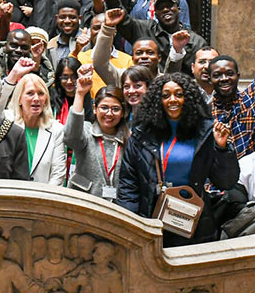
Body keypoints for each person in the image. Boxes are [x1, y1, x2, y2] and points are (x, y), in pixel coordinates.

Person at [117, 72, 238, 246]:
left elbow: (225, 182)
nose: (172, 100)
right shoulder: (142, 135)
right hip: (151, 219)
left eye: (179, 94)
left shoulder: (204, 133)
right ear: (157, 101)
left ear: (188, 98)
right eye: (165, 95)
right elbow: (128, 184)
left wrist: (221, 148)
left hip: (194, 220)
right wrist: (130, 226)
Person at [104, 0, 206, 76]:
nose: (165, 10)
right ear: (155, 14)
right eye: (160, 8)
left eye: (170, 6)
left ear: (178, 9)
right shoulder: (145, 29)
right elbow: (119, 15)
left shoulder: (196, 41)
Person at [64, 66, 129, 201]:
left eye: (115, 109)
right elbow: (70, 138)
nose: (109, 114)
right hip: (82, 202)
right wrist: (80, 93)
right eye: (104, 108)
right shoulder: (87, 131)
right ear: (95, 109)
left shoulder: (128, 137)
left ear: (123, 112)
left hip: (116, 206)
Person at [5, 73, 66, 185]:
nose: (36, 98)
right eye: (30, 93)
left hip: (43, 197)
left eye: (41, 93)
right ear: (19, 99)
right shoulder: (7, 122)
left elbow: (57, 175)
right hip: (11, 196)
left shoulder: (56, 130)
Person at [73, 11, 133, 98]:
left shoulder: (128, 60)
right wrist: (76, 50)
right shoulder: (81, 57)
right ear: (90, 32)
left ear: (114, 31)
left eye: (105, 28)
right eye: (96, 28)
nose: (101, 32)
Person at [209, 56, 255, 159]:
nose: (224, 78)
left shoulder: (249, 100)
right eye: (217, 75)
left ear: (238, 76)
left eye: (230, 74)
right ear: (210, 79)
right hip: (221, 171)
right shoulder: (206, 112)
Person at [52, 57, 93, 124]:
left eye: (73, 77)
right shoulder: (51, 97)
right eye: (65, 77)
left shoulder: (86, 97)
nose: (69, 82)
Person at [47, 0, 83, 69]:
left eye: (72, 17)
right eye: (62, 17)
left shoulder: (88, 40)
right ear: (57, 18)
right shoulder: (51, 45)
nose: (67, 21)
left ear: (79, 18)